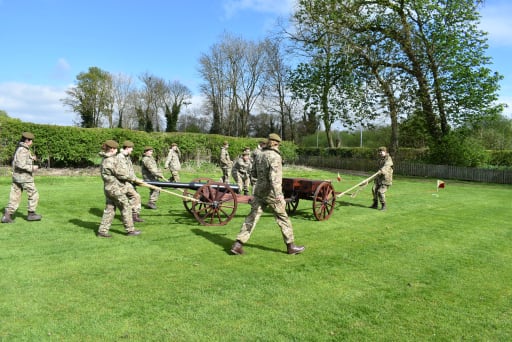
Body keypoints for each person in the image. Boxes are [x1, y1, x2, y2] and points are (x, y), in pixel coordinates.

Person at [230, 133, 305, 255]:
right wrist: (279, 196)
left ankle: (238, 245)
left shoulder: (259, 154)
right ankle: (291, 246)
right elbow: (274, 178)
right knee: (283, 218)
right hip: (271, 192)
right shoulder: (275, 156)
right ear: (275, 143)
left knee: (252, 217)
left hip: (259, 190)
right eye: (278, 144)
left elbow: (253, 173)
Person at [97, 140, 142, 237]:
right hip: (115, 189)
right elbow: (122, 174)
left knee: (110, 209)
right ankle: (130, 230)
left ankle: (102, 231)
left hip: (109, 188)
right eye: (116, 148)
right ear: (112, 149)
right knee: (126, 207)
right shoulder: (110, 160)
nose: (117, 150)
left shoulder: (106, 159)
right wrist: (135, 179)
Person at [1, 132, 42, 223]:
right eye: (31, 140)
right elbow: (20, 164)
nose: (32, 142)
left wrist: (31, 158)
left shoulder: (21, 149)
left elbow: (20, 161)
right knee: (34, 194)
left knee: (15, 196)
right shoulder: (23, 150)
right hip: (24, 178)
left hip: (17, 177)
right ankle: (31, 214)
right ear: (27, 140)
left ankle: (7, 216)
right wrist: (32, 168)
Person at [117, 140, 144, 222]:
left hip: (129, 181)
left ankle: (134, 215)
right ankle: (131, 216)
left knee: (136, 197)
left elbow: (130, 171)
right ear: (127, 148)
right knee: (135, 197)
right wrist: (135, 179)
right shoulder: (120, 157)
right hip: (122, 182)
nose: (132, 150)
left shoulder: (127, 157)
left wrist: (136, 180)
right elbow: (123, 173)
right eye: (131, 148)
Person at [370, 146, 394, 211]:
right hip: (379, 179)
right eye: (379, 152)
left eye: (382, 151)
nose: (380, 153)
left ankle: (384, 206)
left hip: (386, 179)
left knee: (380, 192)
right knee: (374, 189)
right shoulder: (380, 159)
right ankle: (375, 204)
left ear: (385, 152)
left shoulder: (389, 159)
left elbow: (386, 166)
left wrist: (381, 171)